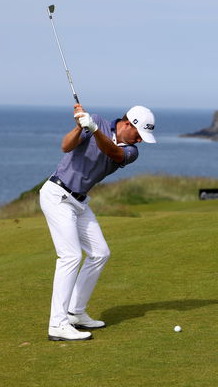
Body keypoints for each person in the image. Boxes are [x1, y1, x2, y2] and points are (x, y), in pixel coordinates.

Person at [40, 103, 156, 341]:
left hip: (80, 202)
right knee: (70, 256)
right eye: (138, 134)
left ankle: (75, 312)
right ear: (127, 124)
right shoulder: (96, 121)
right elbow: (66, 146)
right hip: (57, 195)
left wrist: (92, 129)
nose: (140, 140)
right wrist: (78, 127)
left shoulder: (131, 151)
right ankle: (57, 324)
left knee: (100, 253)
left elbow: (113, 152)